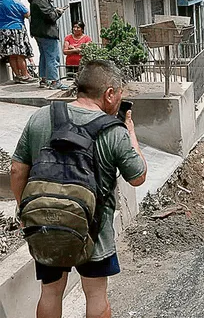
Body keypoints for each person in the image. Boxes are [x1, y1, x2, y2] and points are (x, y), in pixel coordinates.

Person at [11, 60, 147, 318]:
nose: (119, 101)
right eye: (119, 95)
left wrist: (24, 210)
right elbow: (138, 176)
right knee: (96, 295)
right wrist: (130, 131)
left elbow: (17, 170)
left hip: (44, 224)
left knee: (50, 292)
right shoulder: (114, 131)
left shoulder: (41, 117)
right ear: (109, 94)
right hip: (93, 230)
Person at [28, 0, 68, 90]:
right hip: (46, 33)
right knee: (53, 57)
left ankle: (43, 79)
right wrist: (58, 12)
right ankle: (55, 82)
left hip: (39, 33)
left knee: (44, 57)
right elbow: (50, 17)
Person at [0, 0, 37, 83]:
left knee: (11, 54)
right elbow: (27, 14)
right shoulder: (16, 3)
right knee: (20, 54)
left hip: (2, 30)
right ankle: (25, 75)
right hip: (17, 29)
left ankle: (17, 75)